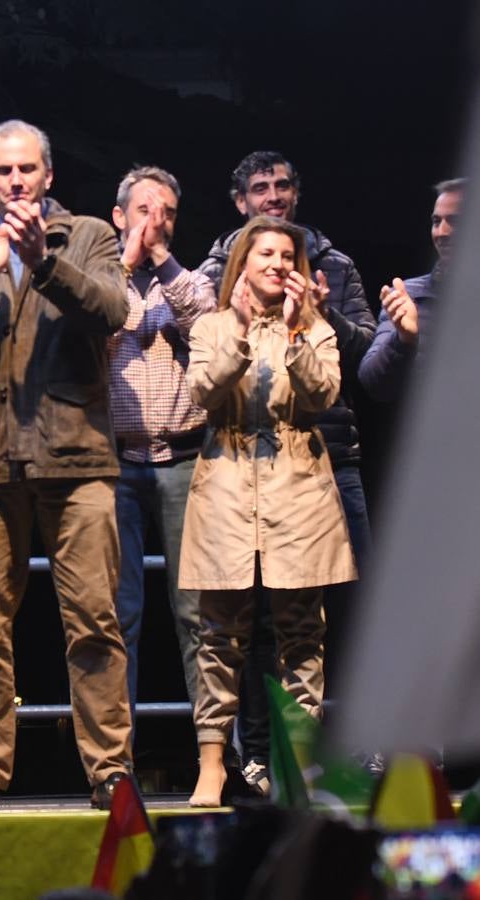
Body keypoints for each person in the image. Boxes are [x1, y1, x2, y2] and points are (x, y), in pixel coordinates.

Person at [0, 119, 133, 813]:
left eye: (28, 170)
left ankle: (111, 768)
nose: (16, 181)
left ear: (49, 177)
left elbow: (111, 310)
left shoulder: (90, 238)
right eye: (3, 171)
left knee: (94, 620)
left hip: (77, 457)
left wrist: (43, 262)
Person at [198, 151, 374, 788]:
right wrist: (242, 330)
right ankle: (232, 761)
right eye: (259, 188)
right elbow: (204, 393)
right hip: (230, 486)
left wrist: (307, 325)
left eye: (282, 186)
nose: (275, 264)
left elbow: (338, 381)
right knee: (229, 632)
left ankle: (313, 758)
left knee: (316, 625)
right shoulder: (216, 311)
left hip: (314, 475)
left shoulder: (329, 291)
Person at [106, 166, 215, 714]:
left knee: (197, 612)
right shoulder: (98, 288)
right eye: (145, 210)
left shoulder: (192, 281)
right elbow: (87, 334)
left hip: (184, 461)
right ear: (119, 217)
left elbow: (205, 321)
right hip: (115, 464)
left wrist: (158, 261)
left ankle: (220, 756)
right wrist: (126, 262)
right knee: (117, 614)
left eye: (167, 211)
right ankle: (114, 762)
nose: (157, 221)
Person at [359, 178, 465, 401]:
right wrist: (404, 339)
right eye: (437, 221)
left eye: (455, 221)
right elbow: (373, 382)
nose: (442, 232)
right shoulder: (409, 295)